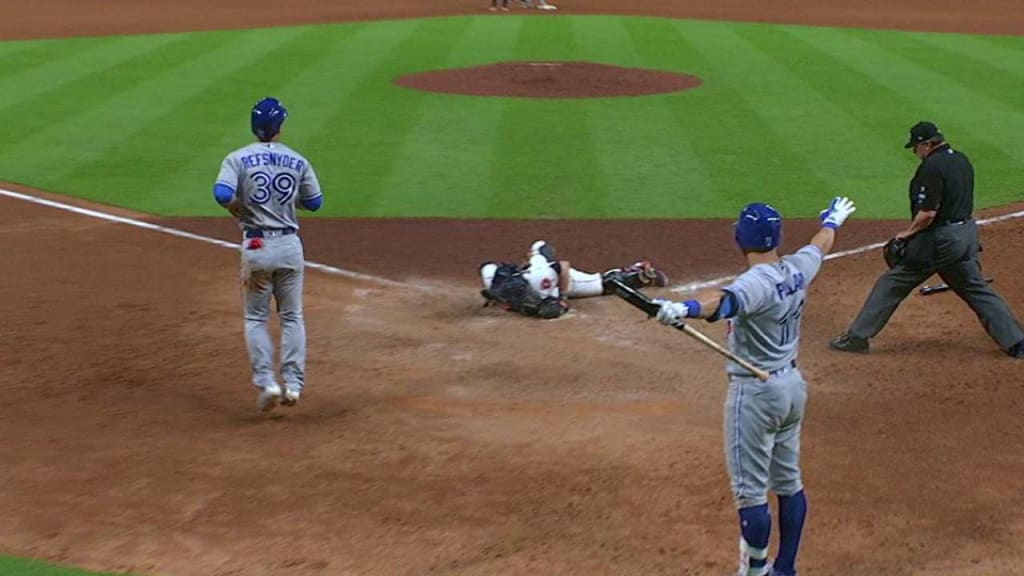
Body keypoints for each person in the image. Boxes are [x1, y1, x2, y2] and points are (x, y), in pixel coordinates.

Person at [651, 197, 857, 576]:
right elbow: (820, 245)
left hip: (756, 395)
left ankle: (756, 572)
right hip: (792, 388)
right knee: (789, 482)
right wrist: (833, 221)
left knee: (750, 493)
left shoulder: (755, 283)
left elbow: (723, 301)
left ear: (739, 238)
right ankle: (786, 568)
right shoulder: (797, 267)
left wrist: (685, 309)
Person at [830, 122, 1024, 358]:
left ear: (927, 144)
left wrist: (907, 233)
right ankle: (1017, 342)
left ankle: (857, 337)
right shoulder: (961, 159)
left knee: (893, 282)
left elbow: (928, 213)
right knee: (974, 287)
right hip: (966, 235)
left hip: (941, 240)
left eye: (916, 147)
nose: (915, 152)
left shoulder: (932, 167)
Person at [213, 97, 324, 412]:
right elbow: (315, 202)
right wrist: (285, 204)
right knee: (292, 316)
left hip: (258, 248)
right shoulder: (298, 160)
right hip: (290, 248)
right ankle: (294, 385)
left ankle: (267, 382)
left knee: (255, 317)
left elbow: (222, 193)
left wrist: (237, 206)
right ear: (280, 127)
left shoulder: (237, 158)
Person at [479, 240, 668, 319]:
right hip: (535, 270)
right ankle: (533, 256)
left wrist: (562, 296)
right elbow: (487, 269)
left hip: (562, 278)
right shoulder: (495, 282)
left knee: (603, 284)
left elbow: (563, 267)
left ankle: (638, 272)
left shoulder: (540, 278)